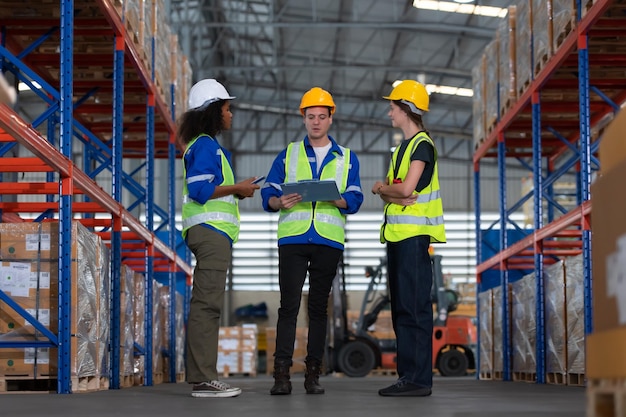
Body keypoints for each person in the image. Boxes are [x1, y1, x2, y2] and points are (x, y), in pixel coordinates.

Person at [261, 87, 363, 395]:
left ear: (331, 118)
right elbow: (268, 193)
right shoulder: (289, 154)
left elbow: (356, 198)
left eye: (321, 116)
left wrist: (338, 199)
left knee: (319, 309)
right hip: (293, 238)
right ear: (303, 119)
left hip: (328, 241)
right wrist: (280, 202)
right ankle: (281, 376)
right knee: (288, 307)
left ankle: (313, 375)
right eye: (310, 117)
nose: (316, 122)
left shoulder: (347, 158)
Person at [179, 78, 260, 398]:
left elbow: (209, 189)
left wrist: (237, 191)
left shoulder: (207, 147)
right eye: (227, 108)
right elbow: (200, 191)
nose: (231, 114)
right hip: (209, 232)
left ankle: (204, 375)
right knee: (207, 305)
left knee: (208, 304)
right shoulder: (204, 146)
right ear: (212, 112)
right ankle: (203, 378)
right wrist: (236, 188)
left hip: (214, 232)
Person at [371, 80, 446, 397]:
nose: (389, 111)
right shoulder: (401, 148)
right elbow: (395, 194)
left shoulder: (422, 146)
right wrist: (388, 193)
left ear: (406, 109)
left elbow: (401, 190)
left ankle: (418, 379)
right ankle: (408, 377)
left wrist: (385, 190)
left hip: (414, 239)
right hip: (397, 238)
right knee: (403, 309)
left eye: (393, 106)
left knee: (414, 309)